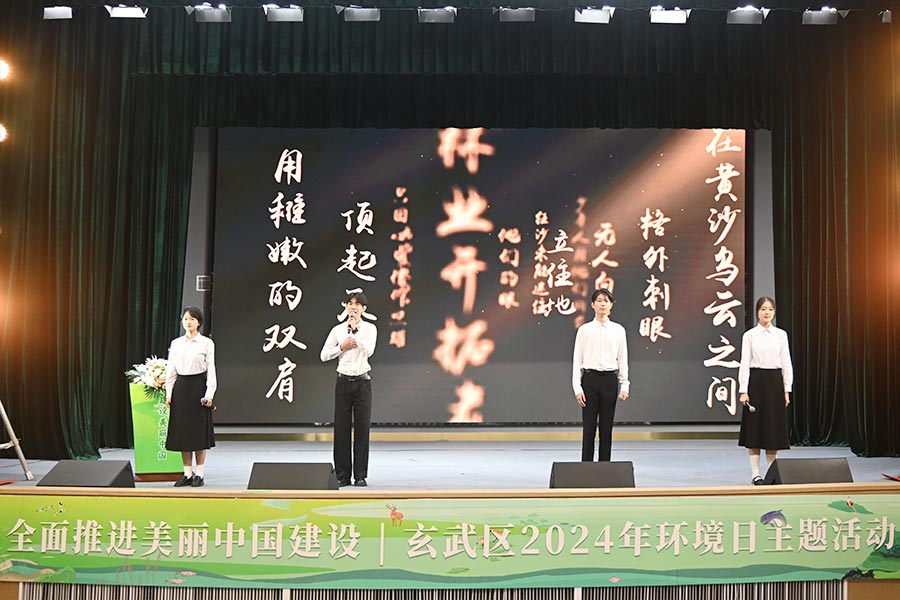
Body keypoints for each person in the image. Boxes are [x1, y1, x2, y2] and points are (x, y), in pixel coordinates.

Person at [320, 291, 377, 487]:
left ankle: (360, 475)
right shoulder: (337, 330)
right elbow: (324, 355)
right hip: (343, 382)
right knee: (341, 429)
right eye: (350, 303)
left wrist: (355, 334)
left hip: (362, 383)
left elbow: (369, 350)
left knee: (362, 429)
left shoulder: (370, 328)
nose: (353, 307)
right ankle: (342, 475)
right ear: (345, 306)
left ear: (363, 309)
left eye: (357, 304)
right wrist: (341, 347)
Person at [738, 296, 793, 485]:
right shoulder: (750, 335)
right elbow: (744, 363)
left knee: (772, 429)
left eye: (770, 309)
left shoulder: (781, 335)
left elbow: (786, 363)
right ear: (757, 312)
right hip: (756, 382)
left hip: (775, 383)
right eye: (763, 309)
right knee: (754, 430)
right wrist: (743, 390)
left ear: (774, 312)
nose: (767, 312)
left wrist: (787, 389)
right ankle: (756, 474)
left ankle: (771, 473)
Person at [572, 288, 630, 462]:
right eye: (599, 300)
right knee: (588, 428)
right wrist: (577, 388)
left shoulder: (618, 330)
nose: (602, 304)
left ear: (611, 305)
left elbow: (623, 359)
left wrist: (624, 385)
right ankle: (586, 467)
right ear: (592, 305)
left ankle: (605, 466)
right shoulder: (584, 330)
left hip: (609, 380)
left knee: (606, 428)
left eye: (606, 300)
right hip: (589, 380)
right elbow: (577, 360)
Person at [165, 306, 217, 487]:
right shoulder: (176, 343)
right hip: (181, 388)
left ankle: (199, 474)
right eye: (186, 319)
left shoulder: (206, 343)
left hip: (198, 387)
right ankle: (187, 473)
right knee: (183, 433)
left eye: (192, 319)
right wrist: (169, 393)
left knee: (198, 433)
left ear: (199, 322)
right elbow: (171, 370)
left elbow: (211, 370)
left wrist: (209, 394)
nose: (188, 322)